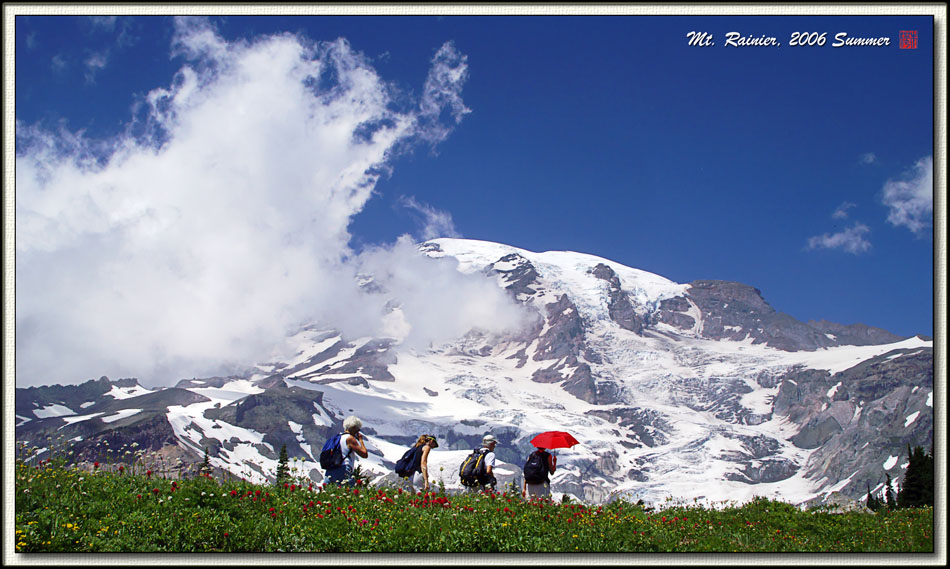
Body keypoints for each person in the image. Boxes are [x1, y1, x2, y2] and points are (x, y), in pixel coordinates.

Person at [324, 415, 369, 486]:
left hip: (330, 469)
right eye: (358, 429)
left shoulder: (337, 437)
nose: (358, 432)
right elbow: (364, 454)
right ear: (354, 428)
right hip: (344, 468)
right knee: (347, 491)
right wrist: (361, 440)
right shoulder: (350, 438)